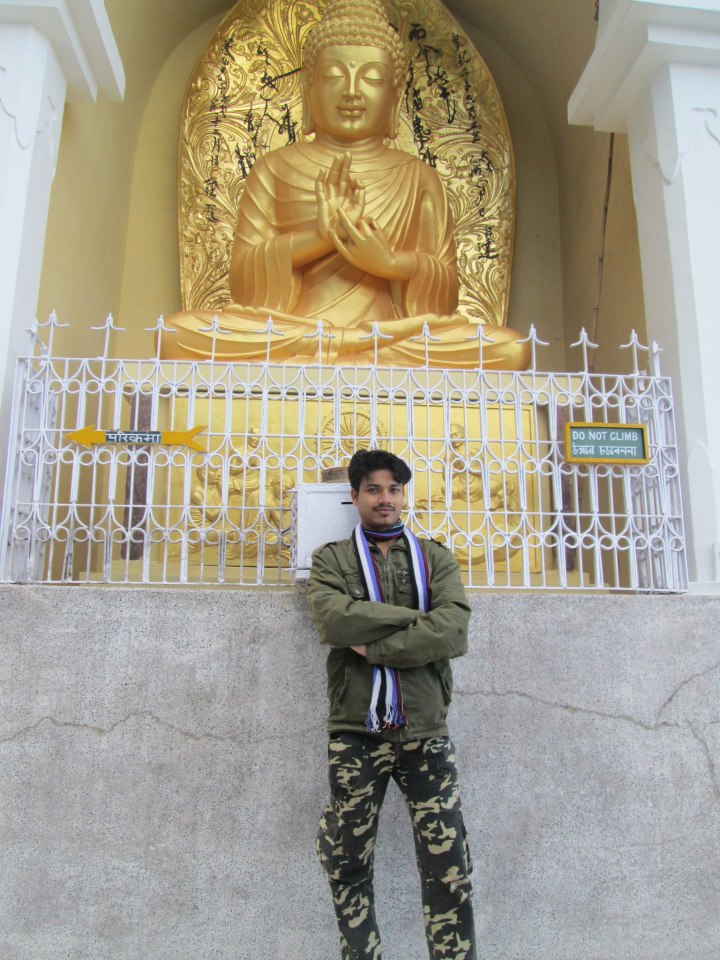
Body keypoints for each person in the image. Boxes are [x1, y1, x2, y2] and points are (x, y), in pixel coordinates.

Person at [159, 0, 529, 370]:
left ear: (395, 94)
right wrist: (318, 239)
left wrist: (389, 263)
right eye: (335, 75)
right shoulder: (274, 168)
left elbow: (443, 298)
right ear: (309, 85)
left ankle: (352, 350)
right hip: (297, 334)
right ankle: (344, 349)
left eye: (372, 78)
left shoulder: (418, 177)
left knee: (511, 348)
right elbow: (245, 286)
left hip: (390, 338)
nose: (352, 91)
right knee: (175, 334)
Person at [309, 449, 476, 960]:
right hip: (356, 730)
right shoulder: (331, 559)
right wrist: (413, 621)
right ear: (355, 496)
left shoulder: (434, 558)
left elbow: (453, 629)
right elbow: (335, 621)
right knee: (349, 861)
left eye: (395, 489)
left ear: (404, 495)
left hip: (425, 729)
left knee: (448, 863)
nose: (386, 499)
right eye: (375, 489)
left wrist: (376, 643)